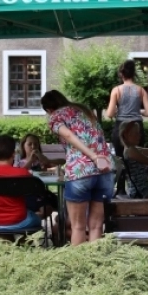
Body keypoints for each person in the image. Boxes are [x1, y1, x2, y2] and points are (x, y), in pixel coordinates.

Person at [41, 90, 113, 246]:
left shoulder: (56, 116)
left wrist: (93, 157)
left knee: (78, 227)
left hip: (80, 171)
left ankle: (79, 267)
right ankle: (95, 266)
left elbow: (68, 135)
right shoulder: (83, 110)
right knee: (96, 226)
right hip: (105, 171)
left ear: (48, 110)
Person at [0, 135, 46, 233]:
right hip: (21, 220)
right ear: (13, 154)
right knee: (37, 216)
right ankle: (22, 243)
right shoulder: (23, 173)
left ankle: (6, 241)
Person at [105, 59, 148, 158]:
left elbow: (109, 114)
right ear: (133, 74)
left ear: (122, 74)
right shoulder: (141, 90)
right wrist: (138, 111)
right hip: (137, 127)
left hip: (121, 127)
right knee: (137, 159)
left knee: (120, 159)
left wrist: (118, 111)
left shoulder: (116, 90)